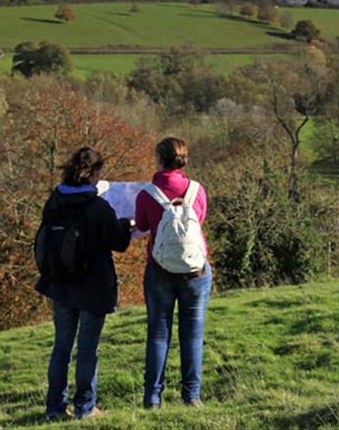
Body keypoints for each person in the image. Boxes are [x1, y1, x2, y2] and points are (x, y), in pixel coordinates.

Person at [35, 147, 133, 420]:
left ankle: (55, 407)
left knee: (61, 347)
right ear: (94, 174)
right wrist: (126, 224)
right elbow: (119, 243)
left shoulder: (55, 200)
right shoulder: (100, 207)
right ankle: (85, 407)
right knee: (87, 349)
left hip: (60, 283)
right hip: (93, 287)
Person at [135, 137, 212, 409]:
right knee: (192, 334)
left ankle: (152, 398)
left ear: (159, 159)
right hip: (196, 271)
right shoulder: (197, 190)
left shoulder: (147, 194)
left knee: (158, 333)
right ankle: (191, 396)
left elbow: (143, 226)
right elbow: (198, 221)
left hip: (160, 270)